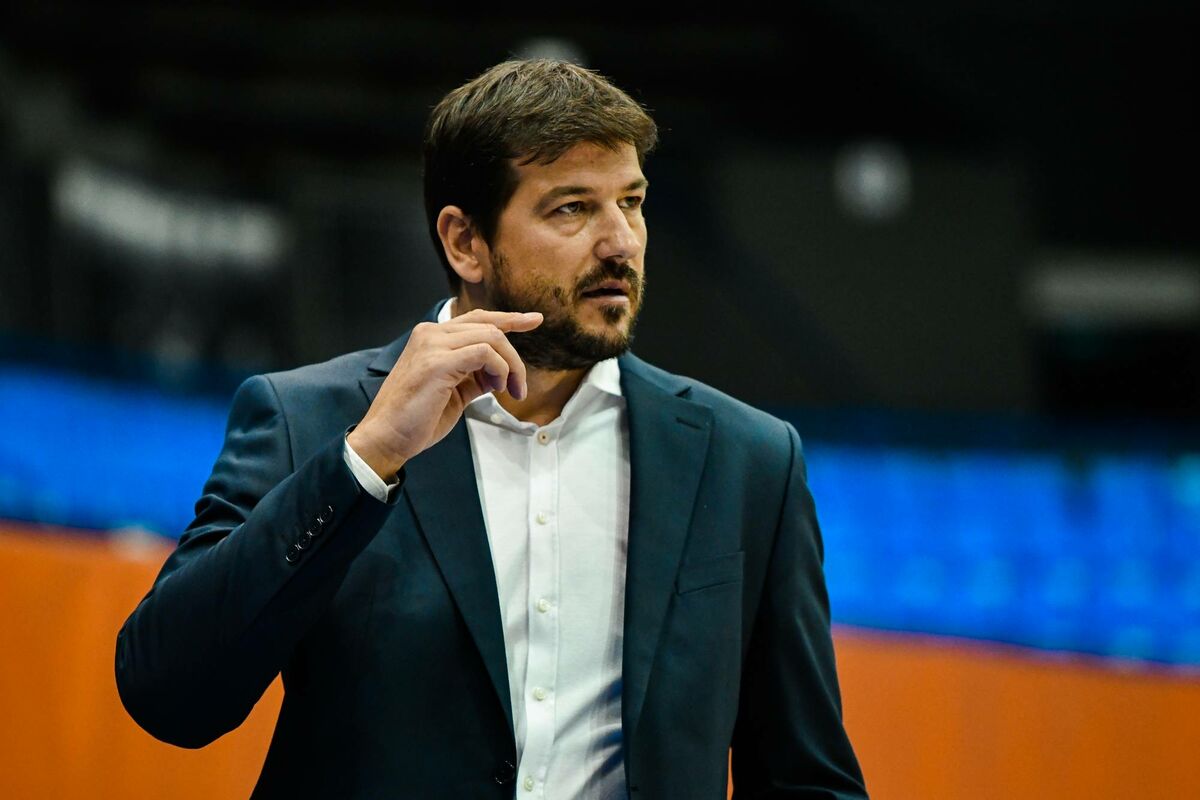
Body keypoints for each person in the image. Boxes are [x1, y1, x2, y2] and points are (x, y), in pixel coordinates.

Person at [115, 59, 868, 799]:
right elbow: (169, 694)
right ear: (465, 242)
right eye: (572, 208)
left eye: (631, 202)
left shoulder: (749, 461)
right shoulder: (309, 420)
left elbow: (806, 779)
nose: (621, 242)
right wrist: (367, 461)